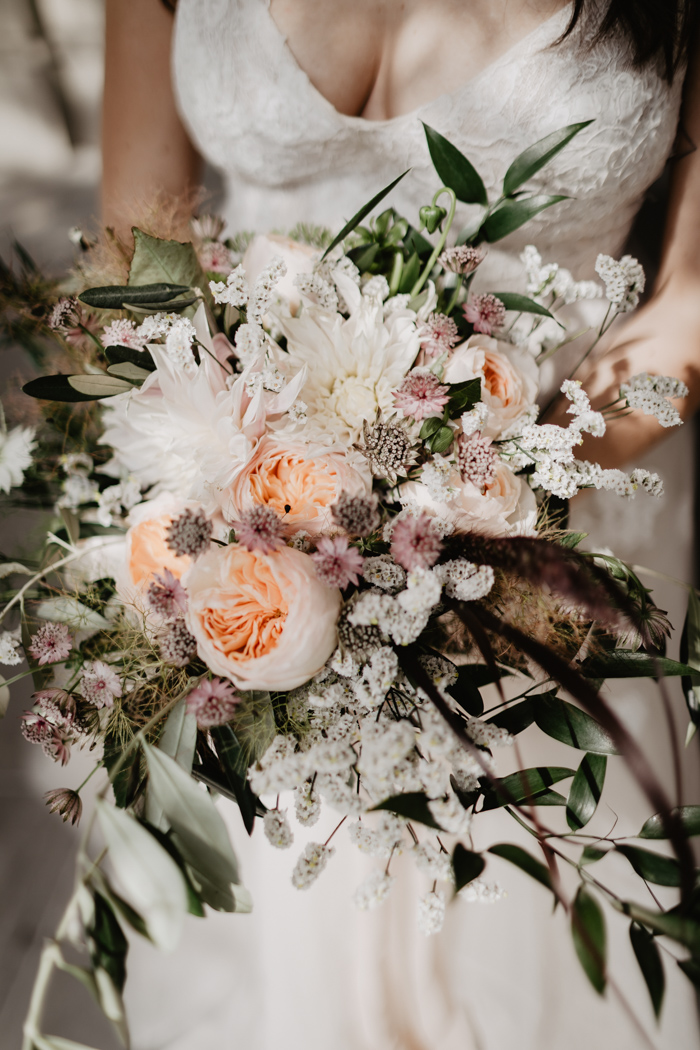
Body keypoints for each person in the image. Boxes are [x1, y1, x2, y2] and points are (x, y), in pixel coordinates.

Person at [101, 2, 700, 1047]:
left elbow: (691, 295)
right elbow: (133, 242)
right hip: (246, 528)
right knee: (301, 921)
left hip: (567, 517)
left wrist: (492, 507)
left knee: (535, 931)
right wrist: (210, 485)